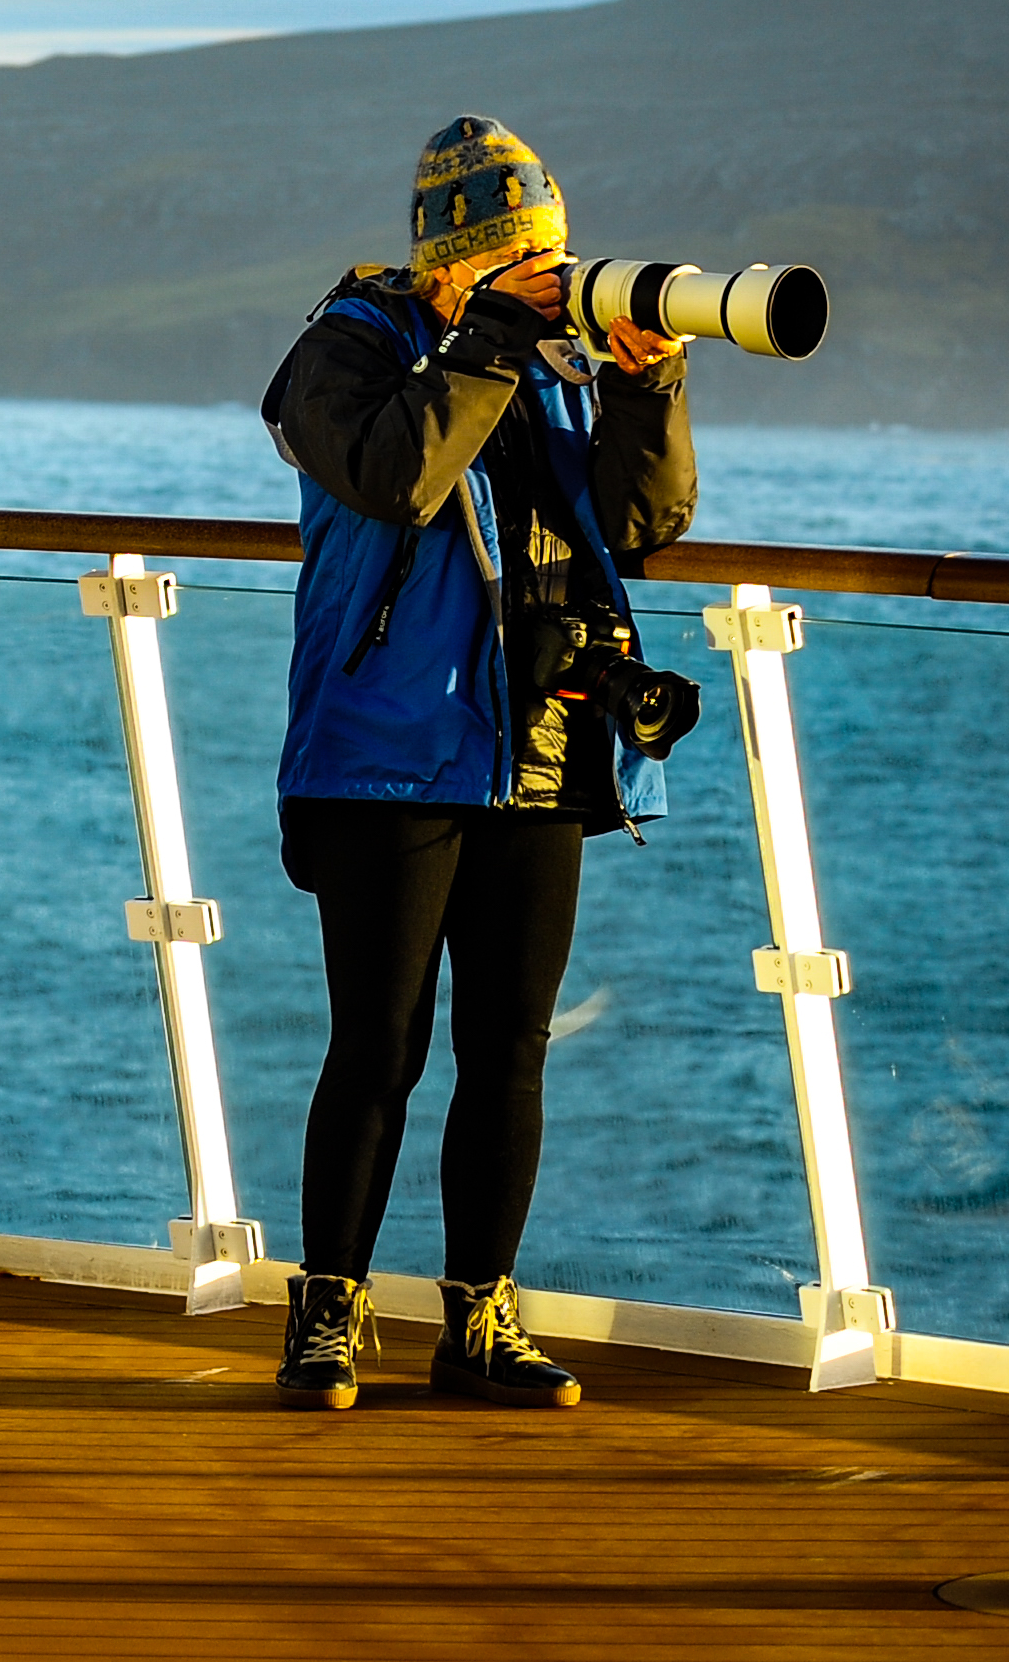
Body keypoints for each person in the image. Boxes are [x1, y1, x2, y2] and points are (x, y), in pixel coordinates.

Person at [257, 116, 701, 1411]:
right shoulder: (341, 354)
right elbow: (400, 475)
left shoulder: (555, 357)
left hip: (543, 741)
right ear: (453, 260)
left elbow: (638, 523)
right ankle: (328, 1314)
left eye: (552, 260)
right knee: (376, 1048)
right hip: (385, 756)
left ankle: (480, 1321)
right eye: (519, 260)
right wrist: (490, 347)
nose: (545, 280)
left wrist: (642, 383)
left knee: (510, 1048)